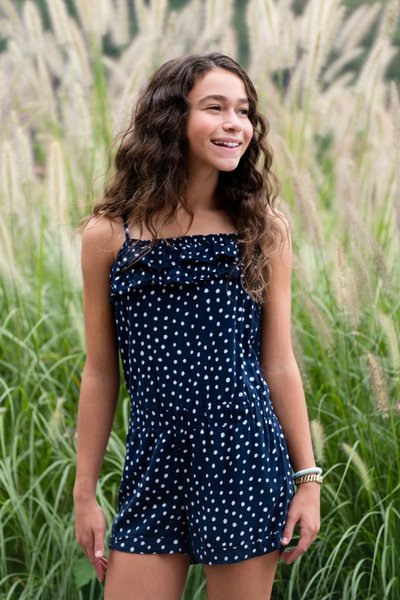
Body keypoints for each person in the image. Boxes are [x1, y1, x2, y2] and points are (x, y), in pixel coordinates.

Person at [73, 51, 321, 600]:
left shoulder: (262, 229)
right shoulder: (109, 236)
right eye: (215, 107)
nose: (236, 123)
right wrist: (84, 491)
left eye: (244, 111)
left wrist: (308, 479)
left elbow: (278, 361)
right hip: (153, 462)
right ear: (171, 118)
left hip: (243, 455)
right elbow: (100, 372)